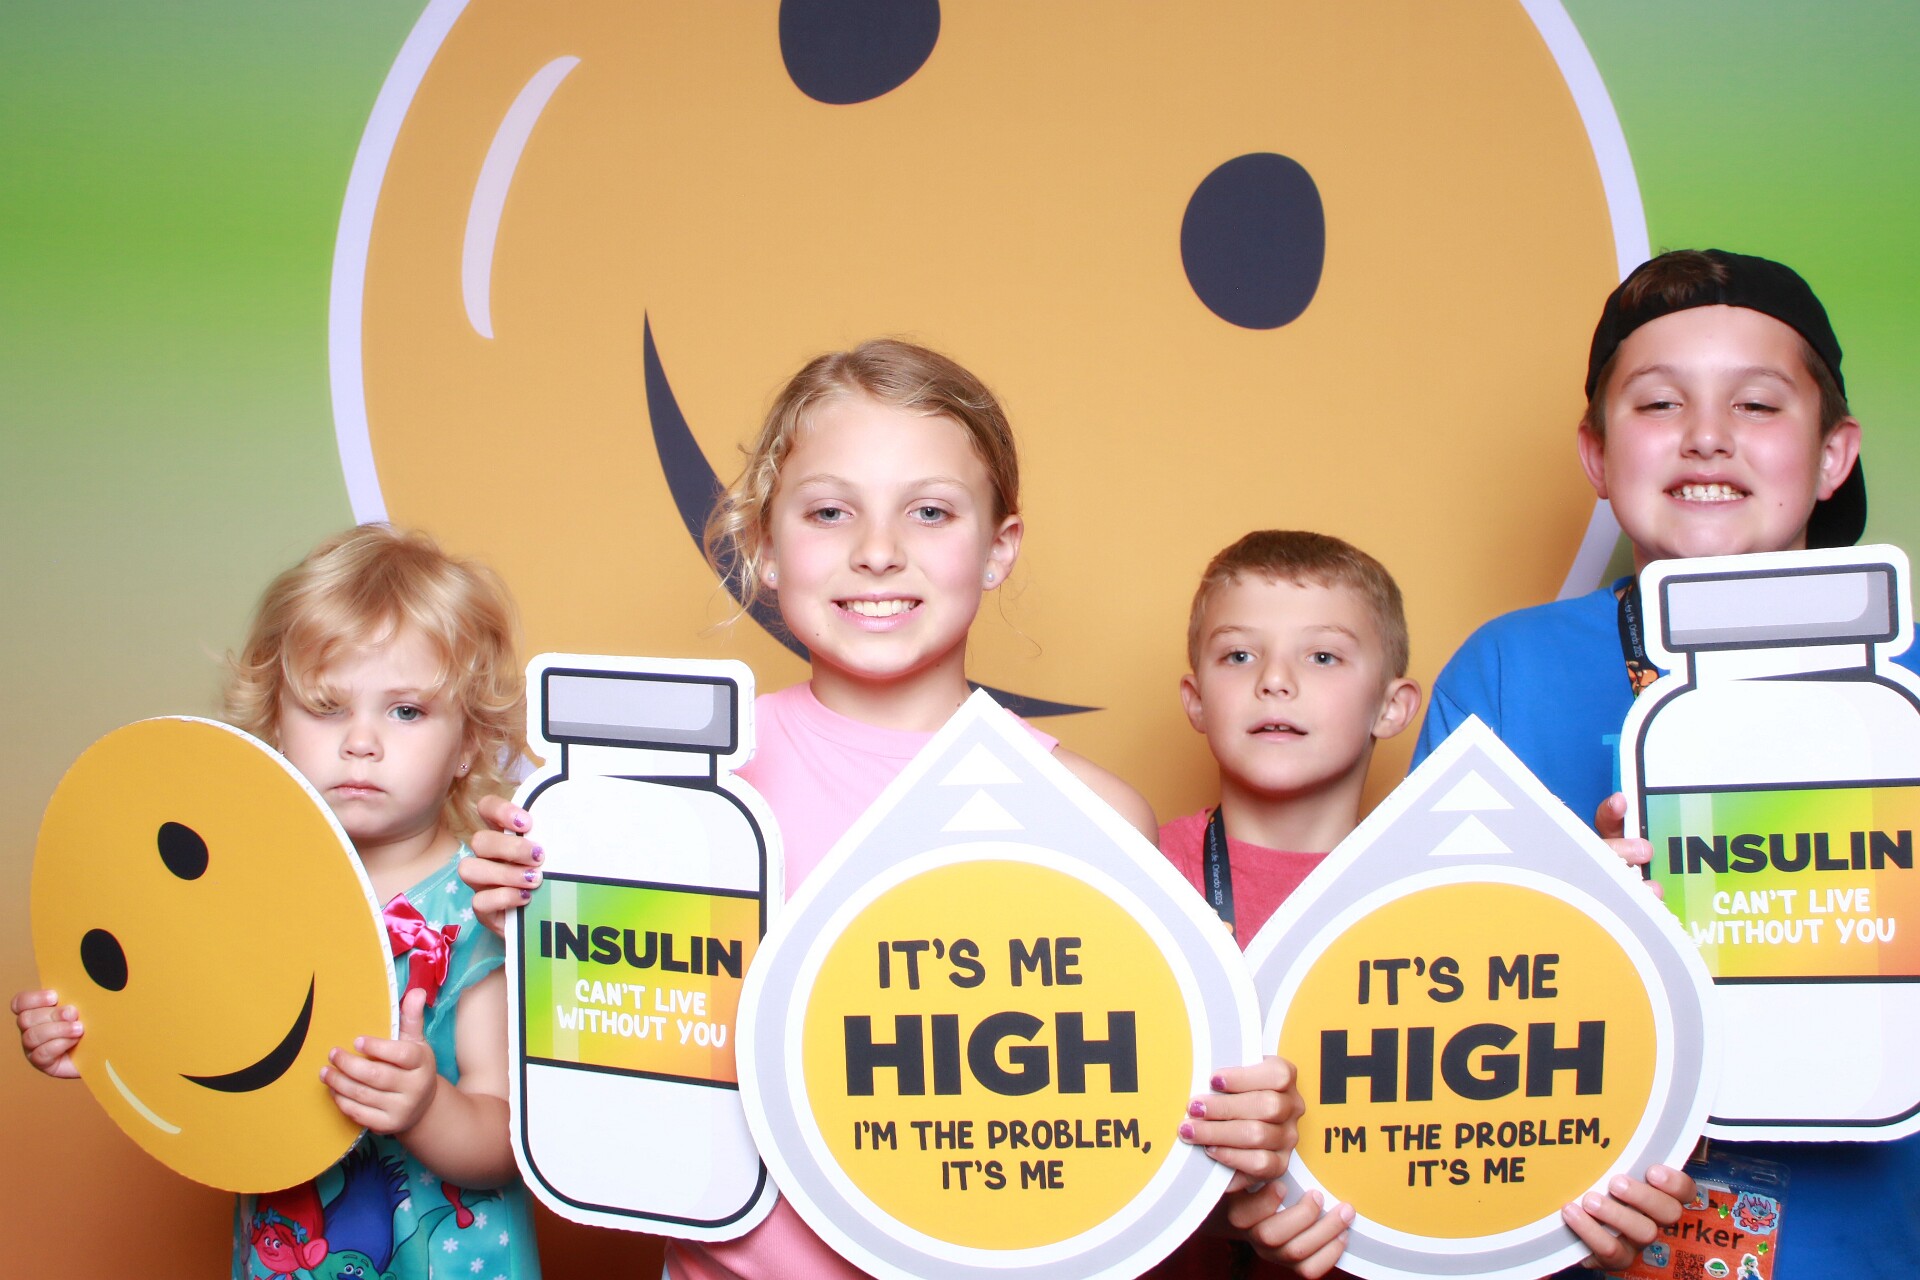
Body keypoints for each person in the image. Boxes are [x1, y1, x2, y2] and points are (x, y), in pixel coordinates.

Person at [460, 338, 1305, 1278]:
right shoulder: (678, 790)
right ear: (763, 547)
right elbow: (613, 1065)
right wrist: (541, 915)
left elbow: (1123, 1121)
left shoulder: (1095, 815)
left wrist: (1239, 1145)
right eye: (830, 512)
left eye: (929, 512)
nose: (876, 552)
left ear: (998, 549)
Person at [1414, 248, 1917, 1279]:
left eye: (1757, 405)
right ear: (1598, 455)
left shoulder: (1903, 689)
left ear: (1834, 455)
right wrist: (1575, 930)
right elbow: (1430, 999)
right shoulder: (1504, 672)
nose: (1707, 435)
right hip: (1582, 1234)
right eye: (1658, 403)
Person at [14, 524, 541, 1279]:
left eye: (406, 711)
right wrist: (90, 1034)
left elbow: (507, 1142)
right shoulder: (242, 893)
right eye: (326, 707)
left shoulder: (481, 903)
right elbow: (188, 1028)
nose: (361, 742)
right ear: (275, 725)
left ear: (468, 744)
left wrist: (428, 1107)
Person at [1165, 529, 1694, 1277]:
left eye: (1323, 657)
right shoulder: (1138, 884)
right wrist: (1227, 1209)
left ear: (1394, 707)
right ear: (1195, 700)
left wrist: (1585, 1203)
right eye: (1238, 656)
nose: (1275, 681)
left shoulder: (1472, 897)